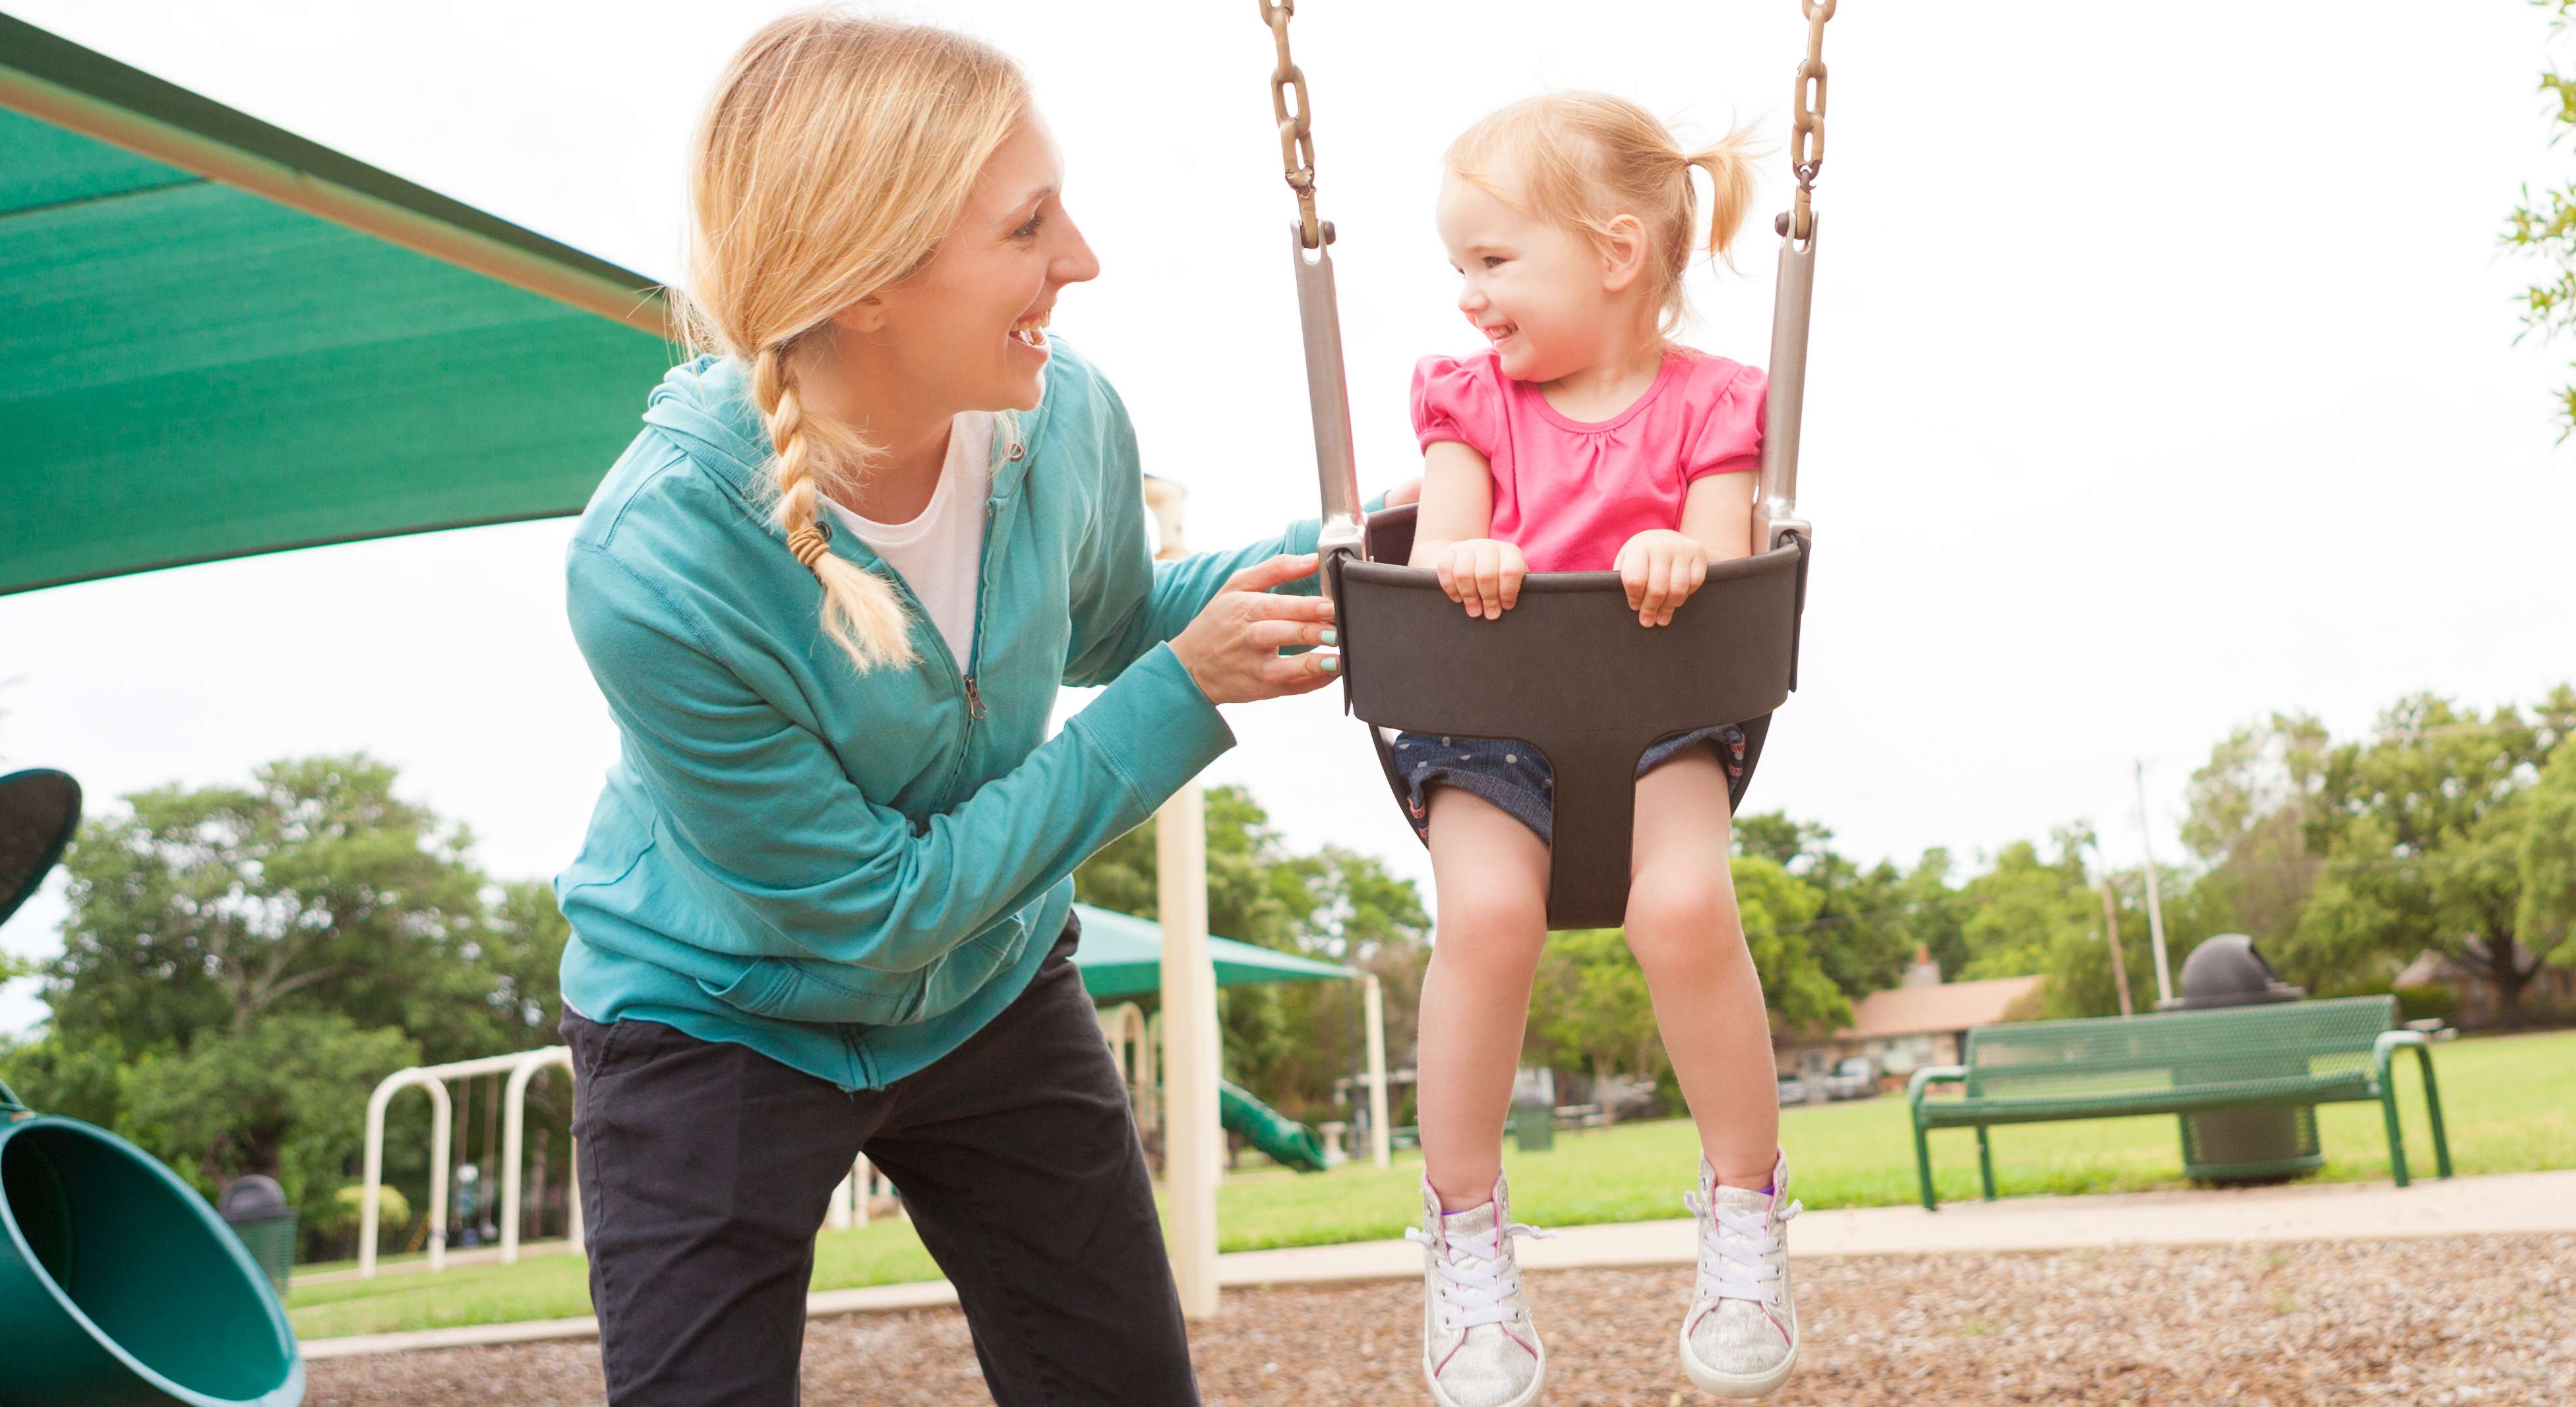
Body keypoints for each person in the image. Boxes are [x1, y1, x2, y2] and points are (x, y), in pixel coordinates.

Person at [551, 14, 1363, 1404]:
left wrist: (1362, 552)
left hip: (987, 992)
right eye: (1029, 225)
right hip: (717, 1017)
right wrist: (1183, 694)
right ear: (867, 282)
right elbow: (875, 910)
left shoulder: (1066, 418)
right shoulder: (658, 562)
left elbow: (1113, 621)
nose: (1083, 259)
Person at [1395, 93, 1799, 1406]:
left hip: (1662, 714)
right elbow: (1444, 537)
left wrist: (1683, 549)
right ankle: (1465, 1235)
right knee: (1491, 918)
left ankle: (1745, 1214)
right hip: (1488, 722)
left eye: (1495, 261)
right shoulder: (1471, 404)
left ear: (1617, 253)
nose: (1470, 295)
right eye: (1461, 264)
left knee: (1681, 905)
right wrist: (1473, 554)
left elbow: (1730, 558)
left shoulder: (1715, 406)